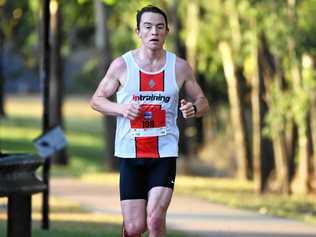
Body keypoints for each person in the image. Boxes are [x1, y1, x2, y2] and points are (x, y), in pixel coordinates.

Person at [90, 5, 209, 237]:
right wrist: (121, 108)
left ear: (167, 31)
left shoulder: (180, 67)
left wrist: (193, 108)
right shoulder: (122, 65)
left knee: (155, 219)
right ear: (138, 32)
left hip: (163, 153)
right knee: (135, 228)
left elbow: (203, 101)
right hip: (130, 154)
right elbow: (96, 100)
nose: (154, 32)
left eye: (159, 27)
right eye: (148, 27)